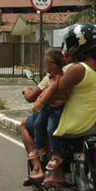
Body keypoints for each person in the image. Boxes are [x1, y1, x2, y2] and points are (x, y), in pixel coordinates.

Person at [42, 23, 96, 187]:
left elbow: (56, 94)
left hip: (81, 125)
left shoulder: (77, 69)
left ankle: (57, 174)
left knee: (51, 132)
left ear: (76, 44)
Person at [28, 50, 67, 182]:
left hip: (56, 109)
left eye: (47, 64)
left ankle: (56, 154)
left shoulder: (58, 76)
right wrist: (41, 97)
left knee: (51, 130)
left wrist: (40, 101)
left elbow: (51, 89)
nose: (45, 66)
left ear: (54, 65)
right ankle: (39, 148)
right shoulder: (51, 75)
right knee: (38, 124)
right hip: (48, 108)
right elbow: (46, 89)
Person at [20, 74, 50, 187]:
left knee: (24, 124)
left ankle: (37, 167)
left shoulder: (55, 75)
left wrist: (26, 90)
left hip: (54, 114)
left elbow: (31, 97)